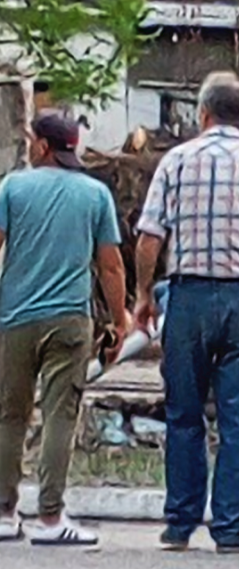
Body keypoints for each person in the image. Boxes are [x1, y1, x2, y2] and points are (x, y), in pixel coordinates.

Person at [132, 71, 239, 554]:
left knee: (184, 412)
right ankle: (228, 526)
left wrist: (144, 295)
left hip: (187, 298)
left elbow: (150, 236)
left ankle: (180, 523)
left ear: (202, 113)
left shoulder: (176, 161)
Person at [0, 113, 129, 546]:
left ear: (42, 147)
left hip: (13, 319)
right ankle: (52, 518)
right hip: (70, 320)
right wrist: (119, 318)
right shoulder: (95, 195)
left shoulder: (12, 188)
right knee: (60, 414)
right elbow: (109, 265)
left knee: (9, 414)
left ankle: (3, 512)